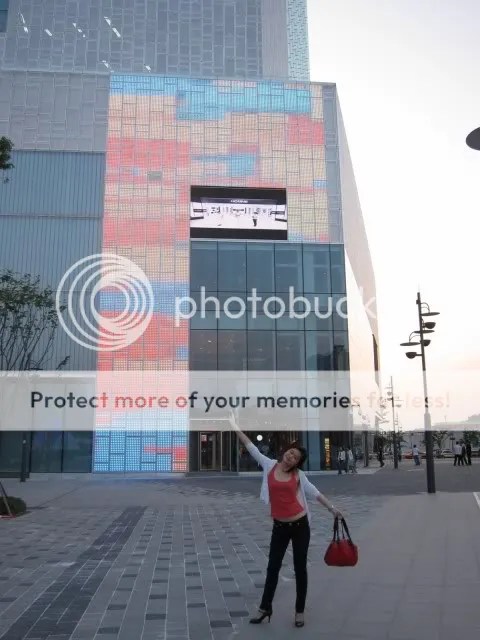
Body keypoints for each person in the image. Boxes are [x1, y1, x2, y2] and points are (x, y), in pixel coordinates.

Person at [228, 411, 343, 628]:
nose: (291, 457)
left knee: (300, 568)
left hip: (300, 526)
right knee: (273, 567)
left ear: (297, 463)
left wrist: (332, 509)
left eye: (295, 457)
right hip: (279, 526)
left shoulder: (298, 476)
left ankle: (299, 611)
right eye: (290, 453)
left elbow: (315, 493)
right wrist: (234, 426)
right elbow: (250, 446)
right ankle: (265, 608)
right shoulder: (269, 464)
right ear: (285, 452)